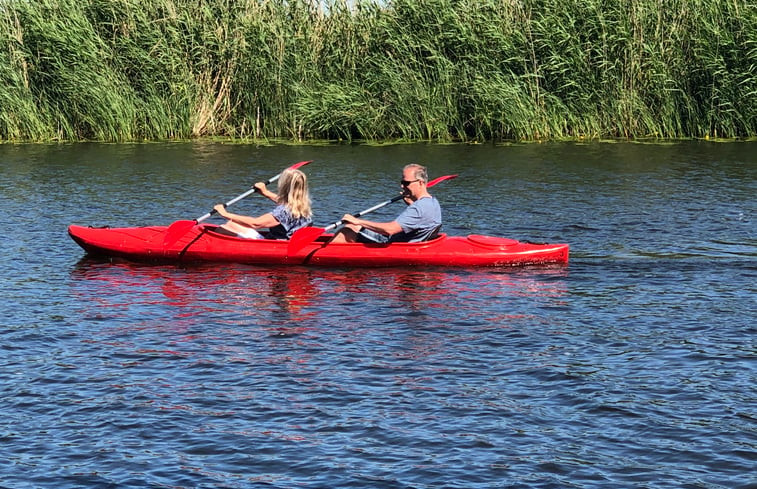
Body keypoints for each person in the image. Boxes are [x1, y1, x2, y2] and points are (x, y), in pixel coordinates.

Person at [330, 163, 442, 244]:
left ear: (421, 183)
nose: (402, 186)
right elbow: (420, 220)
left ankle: (326, 256)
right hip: (405, 239)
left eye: (406, 183)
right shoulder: (432, 202)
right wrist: (411, 204)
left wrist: (357, 221)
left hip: (390, 243)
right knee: (353, 226)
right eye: (402, 182)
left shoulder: (419, 208)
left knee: (348, 229)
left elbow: (390, 230)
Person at [213, 168, 312, 239]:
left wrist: (225, 214)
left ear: (284, 186)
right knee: (231, 224)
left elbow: (255, 223)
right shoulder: (302, 205)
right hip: (285, 242)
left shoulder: (283, 212)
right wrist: (265, 192)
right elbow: (284, 202)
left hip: (273, 245)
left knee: (222, 229)